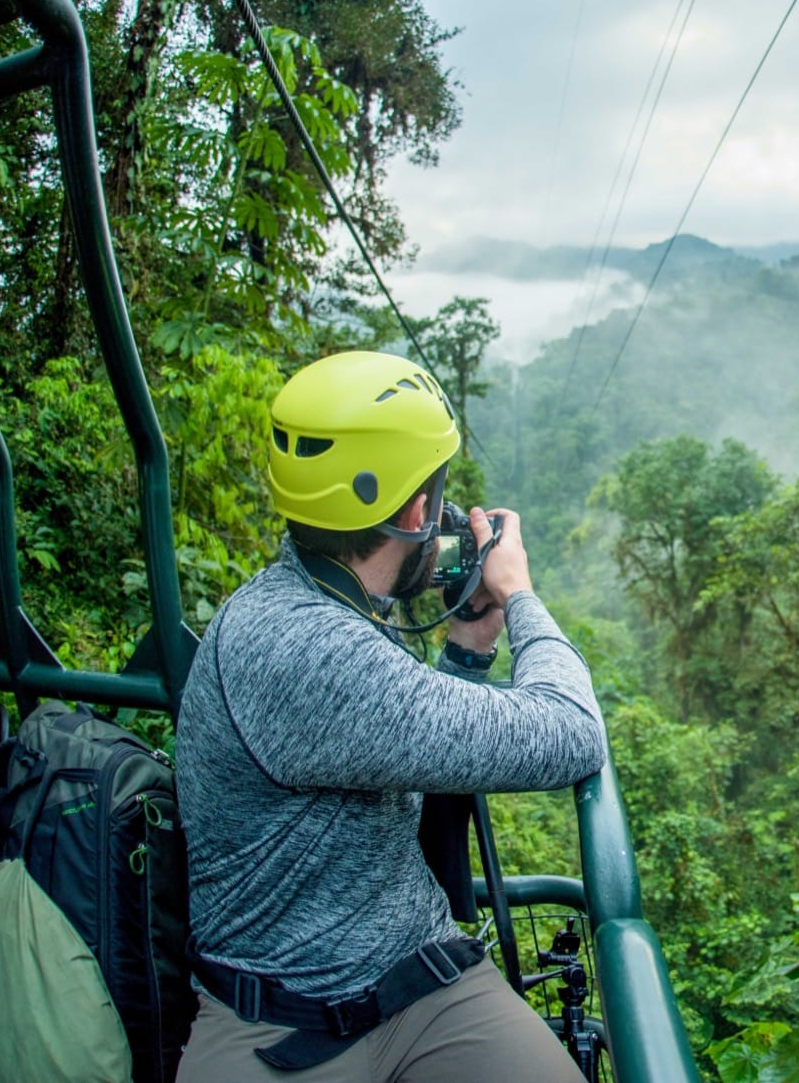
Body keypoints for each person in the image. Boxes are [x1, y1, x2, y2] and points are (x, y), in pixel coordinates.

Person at [175, 351, 605, 1082]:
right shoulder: (308, 647)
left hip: (419, 981)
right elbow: (571, 729)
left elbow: (399, 732)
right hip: (275, 1024)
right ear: (413, 514)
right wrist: (519, 593)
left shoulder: (320, 601)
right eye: (436, 499)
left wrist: (467, 646)